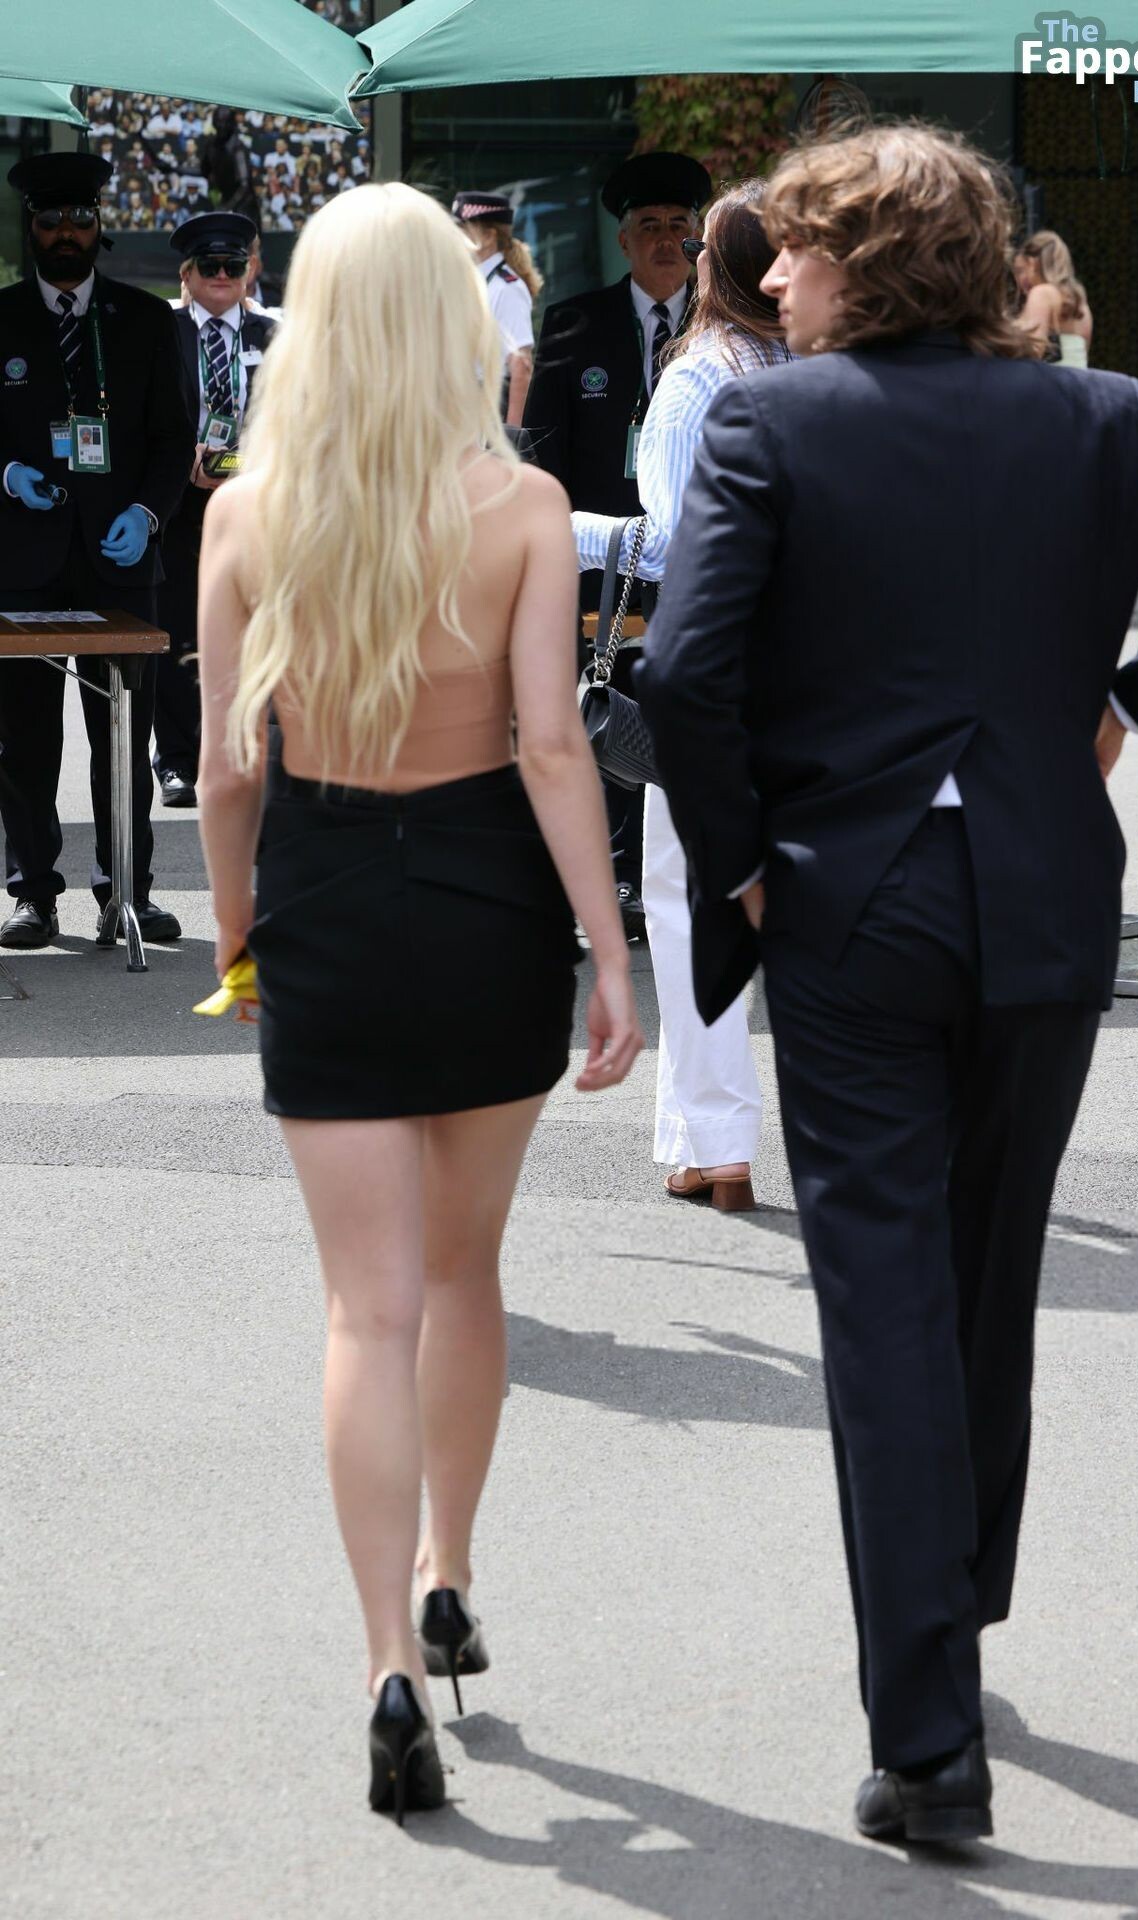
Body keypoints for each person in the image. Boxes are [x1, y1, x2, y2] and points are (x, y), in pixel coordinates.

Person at [637, 124, 1138, 1848]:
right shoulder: (1097, 416)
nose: (770, 272)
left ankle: (929, 1738)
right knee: (985, 1284)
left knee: (885, 1306)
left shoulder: (772, 420)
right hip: (1042, 899)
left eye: (794, 244)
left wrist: (741, 861)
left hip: (849, 906)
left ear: (864, 260)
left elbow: (685, 674)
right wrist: (1134, 706)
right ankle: (958, 1609)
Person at [196, 182, 644, 1821]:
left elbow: (229, 769)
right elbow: (550, 745)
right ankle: (453, 1572)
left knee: (363, 1311)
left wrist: (238, 939)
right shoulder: (521, 505)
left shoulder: (248, 514)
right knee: (463, 1274)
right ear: (458, 321)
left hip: (321, 890)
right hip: (488, 900)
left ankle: (386, 1661)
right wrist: (608, 948)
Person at [573, 182, 790, 1209]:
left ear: (714, 265)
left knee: (691, 898)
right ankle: (711, 1137)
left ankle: (718, 1140)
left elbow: (670, 545)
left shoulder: (701, 370)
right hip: (828, 665)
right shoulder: (826, 361)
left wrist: (558, 526)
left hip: (718, 668)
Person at [0, 152, 190, 950]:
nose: (67, 234)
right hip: (23, 560)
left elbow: (173, 437)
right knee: (23, 738)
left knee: (124, 734)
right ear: (31, 229)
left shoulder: (144, 319)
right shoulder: (1, 318)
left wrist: (148, 513)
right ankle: (32, 894)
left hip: (120, 557)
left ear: (100, 226)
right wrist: (8, 474)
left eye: (81, 220)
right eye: (52, 221)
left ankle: (127, 893)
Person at [524, 151, 711, 941]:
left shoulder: (725, 324)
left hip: (698, 562)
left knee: (684, 720)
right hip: (602, 566)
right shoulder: (575, 323)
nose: (666, 240)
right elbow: (541, 453)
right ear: (624, 239)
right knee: (603, 715)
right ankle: (611, 877)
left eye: (679, 225)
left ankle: (678, 874)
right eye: (649, 226)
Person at [152, 212, 276, 808]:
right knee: (176, 628)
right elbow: (145, 417)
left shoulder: (275, 336)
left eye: (234, 264)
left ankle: (240, 753)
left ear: (249, 271)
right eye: (209, 265)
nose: (222, 274)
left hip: (254, 505)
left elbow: (295, 420)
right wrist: (186, 462)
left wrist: (243, 461)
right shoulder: (162, 331)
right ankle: (177, 761)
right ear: (187, 273)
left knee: (253, 632)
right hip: (178, 504)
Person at [451, 191, 539, 429]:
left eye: (463, 229)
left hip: (490, 409)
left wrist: (511, 435)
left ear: (489, 236)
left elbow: (521, 366)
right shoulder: (476, 282)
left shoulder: (507, 288)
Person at [1012, 228, 1092, 366]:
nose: (1018, 280)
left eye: (1020, 271)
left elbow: (1033, 350)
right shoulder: (1081, 304)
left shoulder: (1041, 293)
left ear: (1032, 263)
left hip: (1050, 377)